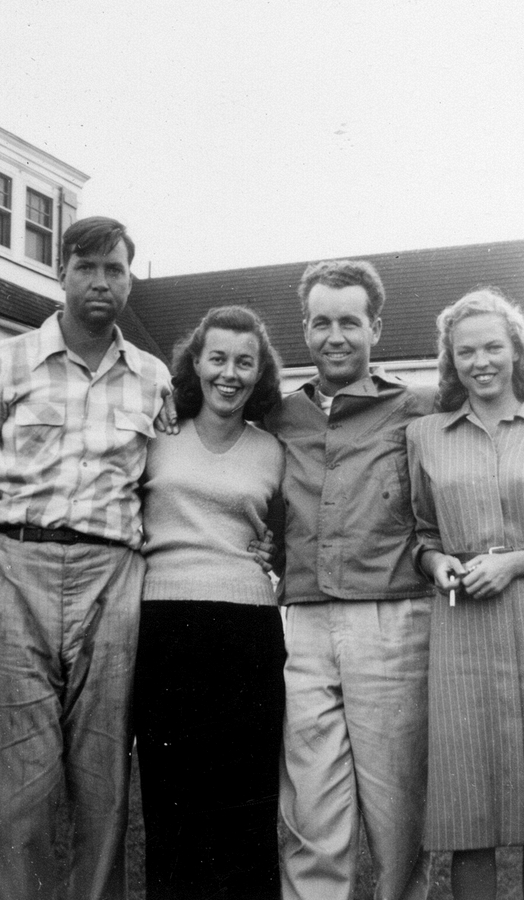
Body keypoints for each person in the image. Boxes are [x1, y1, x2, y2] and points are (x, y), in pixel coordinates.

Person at [262, 259, 524, 900]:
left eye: (350, 322)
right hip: (382, 630)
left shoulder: (490, 424)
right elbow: (420, 531)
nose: (480, 361)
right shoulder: (336, 423)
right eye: (321, 322)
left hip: (473, 631)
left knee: (477, 821)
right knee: (370, 817)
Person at [0, 217, 175, 900]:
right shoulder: (12, 362)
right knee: (22, 777)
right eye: (88, 267)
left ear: (129, 280)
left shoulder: (154, 378)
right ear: (61, 272)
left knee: (103, 774)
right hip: (18, 566)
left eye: (116, 270)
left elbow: (166, 480)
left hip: (113, 576)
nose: (102, 282)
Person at [406, 288, 524, 900]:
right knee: (470, 817)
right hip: (463, 635)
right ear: (450, 360)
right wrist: (434, 561)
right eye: (466, 351)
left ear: (517, 350)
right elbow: (420, 530)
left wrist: (520, 561)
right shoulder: (425, 436)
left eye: (494, 346)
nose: (481, 361)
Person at [134, 305, 286, 900]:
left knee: (246, 802)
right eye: (217, 358)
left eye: (244, 362)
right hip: (165, 623)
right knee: (172, 798)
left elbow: (285, 535)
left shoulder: (274, 449)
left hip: (248, 626)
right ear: (195, 363)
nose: (230, 373)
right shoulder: (155, 433)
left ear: (259, 371)